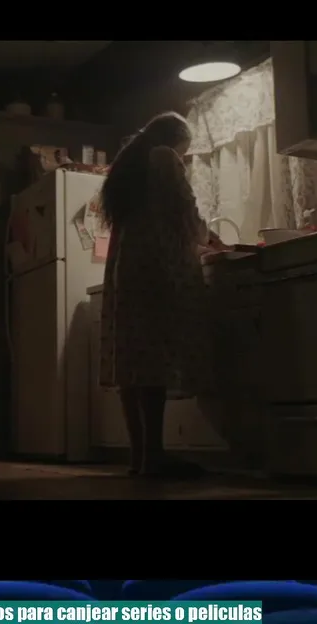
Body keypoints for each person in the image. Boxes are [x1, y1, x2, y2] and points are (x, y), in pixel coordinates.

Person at [98, 112, 227, 477]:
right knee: (152, 361)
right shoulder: (163, 157)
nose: (183, 157)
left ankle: (139, 456)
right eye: (185, 150)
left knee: (133, 363)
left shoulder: (130, 165)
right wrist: (210, 238)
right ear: (175, 141)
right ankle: (154, 455)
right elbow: (184, 208)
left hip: (127, 267)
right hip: (154, 267)